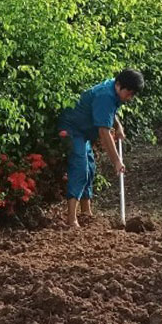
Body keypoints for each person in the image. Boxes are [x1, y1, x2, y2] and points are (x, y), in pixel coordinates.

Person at [59, 69, 144, 229]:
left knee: (90, 168)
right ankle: (72, 220)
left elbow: (109, 113)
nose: (130, 97)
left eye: (133, 94)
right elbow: (104, 132)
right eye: (129, 93)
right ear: (119, 85)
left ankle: (86, 213)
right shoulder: (105, 95)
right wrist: (117, 161)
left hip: (83, 132)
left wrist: (118, 126)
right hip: (72, 129)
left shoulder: (114, 89)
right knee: (80, 168)